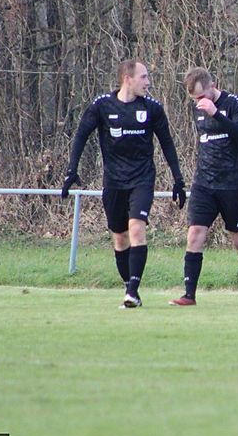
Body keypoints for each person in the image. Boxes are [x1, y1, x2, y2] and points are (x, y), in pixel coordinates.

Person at [62, 59, 186, 308]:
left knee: (136, 229)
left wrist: (178, 179)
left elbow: (167, 143)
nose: (148, 82)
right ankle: (131, 289)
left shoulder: (152, 108)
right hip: (114, 182)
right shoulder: (102, 105)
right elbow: (81, 136)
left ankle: (132, 291)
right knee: (120, 238)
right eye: (144, 77)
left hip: (142, 179)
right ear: (127, 79)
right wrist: (71, 171)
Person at [169, 68, 238, 307]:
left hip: (232, 184)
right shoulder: (197, 108)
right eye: (195, 99)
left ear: (213, 85)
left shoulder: (234, 104)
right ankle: (189, 295)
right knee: (194, 234)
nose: (199, 102)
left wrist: (216, 114)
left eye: (202, 97)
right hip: (204, 183)